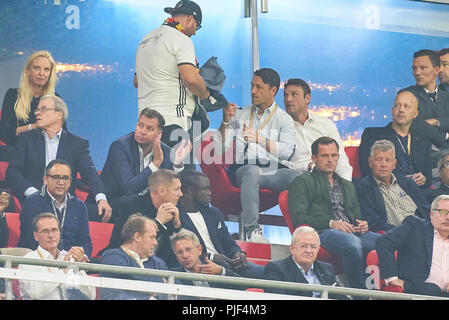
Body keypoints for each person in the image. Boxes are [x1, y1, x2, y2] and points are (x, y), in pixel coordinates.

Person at [216, 68, 298, 243]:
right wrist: (225, 122)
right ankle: (252, 231)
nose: (253, 91)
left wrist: (261, 140)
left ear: (273, 90)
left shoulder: (284, 119)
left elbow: (288, 153)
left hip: (272, 171)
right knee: (252, 171)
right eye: (252, 86)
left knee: (303, 178)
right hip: (243, 169)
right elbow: (221, 148)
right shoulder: (240, 114)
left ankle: (303, 233)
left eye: (259, 87)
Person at [288, 136, 381, 289]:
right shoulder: (302, 182)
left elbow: (357, 216)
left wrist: (362, 224)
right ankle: (359, 292)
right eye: (325, 156)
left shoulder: (348, 185)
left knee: (384, 242)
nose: (330, 160)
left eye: (334, 155)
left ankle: (375, 290)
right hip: (322, 231)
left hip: (352, 231)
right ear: (314, 158)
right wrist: (332, 223)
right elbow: (299, 218)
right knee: (353, 243)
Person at [5, 95, 112, 222]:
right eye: (37, 110)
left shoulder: (77, 144)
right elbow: (12, 173)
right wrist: (34, 193)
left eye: (43, 109)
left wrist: (101, 198)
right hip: (33, 200)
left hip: (64, 203)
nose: (37, 113)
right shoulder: (26, 139)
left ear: (59, 114)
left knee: (102, 212)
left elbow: (90, 173)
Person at [135, 0, 210, 151]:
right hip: (172, 122)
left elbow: (137, 81)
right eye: (197, 26)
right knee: (184, 174)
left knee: (154, 173)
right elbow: (190, 79)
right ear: (190, 19)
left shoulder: (145, 40)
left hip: (145, 124)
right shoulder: (181, 39)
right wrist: (205, 94)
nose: (195, 32)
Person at [100, 108, 191, 216]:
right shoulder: (120, 148)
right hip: (115, 202)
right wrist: (155, 164)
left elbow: (172, 188)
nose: (142, 131)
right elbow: (129, 189)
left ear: (159, 134)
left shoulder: (166, 152)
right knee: (136, 203)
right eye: (140, 125)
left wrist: (177, 164)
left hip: (144, 205)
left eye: (149, 128)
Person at [178, 170, 265, 279]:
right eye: (205, 189)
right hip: (203, 268)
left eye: (209, 188)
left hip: (229, 264)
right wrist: (212, 257)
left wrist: (238, 254)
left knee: (269, 273)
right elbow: (180, 253)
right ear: (190, 191)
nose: (210, 193)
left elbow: (228, 242)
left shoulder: (213, 213)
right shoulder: (177, 217)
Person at [105, 169, 182, 268]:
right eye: (177, 189)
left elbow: (177, 252)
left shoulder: (176, 209)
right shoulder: (131, 206)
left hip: (161, 266)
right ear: (161, 191)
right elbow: (124, 243)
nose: (181, 194)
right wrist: (158, 223)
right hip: (128, 263)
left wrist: (177, 225)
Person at [376, 194, 449, 297]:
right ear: (432, 214)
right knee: (433, 288)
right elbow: (384, 242)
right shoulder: (415, 226)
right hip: (418, 292)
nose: (448, 217)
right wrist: (391, 278)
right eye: (443, 212)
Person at [281, 78, 352, 181]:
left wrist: (347, 187)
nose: (288, 99)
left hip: (330, 179)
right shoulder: (279, 129)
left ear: (307, 98)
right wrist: (307, 166)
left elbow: (341, 162)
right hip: (300, 179)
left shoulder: (326, 125)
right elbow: (279, 164)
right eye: (285, 95)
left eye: (294, 94)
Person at [18, 159, 92, 257]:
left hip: (72, 262)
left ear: (70, 182)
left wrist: (82, 256)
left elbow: (85, 242)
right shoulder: (32, 202)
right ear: (45, 180)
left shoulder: (79, 206)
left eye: (65, 178)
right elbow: (31, 240)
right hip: (39, 259)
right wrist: (63, 257)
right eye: (56, 177)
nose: (61, 182)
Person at [359, 90, 433, 188]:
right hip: (385, 191)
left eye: (406, 106)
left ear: (415, 114)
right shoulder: (373, 135)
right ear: (392, 110)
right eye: (397, 106)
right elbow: (366, 170)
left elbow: (428, 178)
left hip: (418, 193)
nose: (401, 110)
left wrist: (424, 179)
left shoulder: (423, 140)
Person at [0, 51, 65, 157]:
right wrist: (34, 126)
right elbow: (5, 133)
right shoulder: (12, 95)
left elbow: (63, 136)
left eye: (46, 69)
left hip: (45, 155)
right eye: (37, 68)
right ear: (28, 71)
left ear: (50, 74)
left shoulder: (55, 99)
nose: (41, 74)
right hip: (17, 153)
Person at [356, 140, 430, 232]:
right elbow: (373, 222)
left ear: (394, 164)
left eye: (388, 160)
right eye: (378, 160)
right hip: (396, 235)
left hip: (424, 230)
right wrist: (403, 231)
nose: (383, 164)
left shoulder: (408, 183)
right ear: (370, 162)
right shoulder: (364, 187)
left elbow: (426, 209)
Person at [18, 213, 95, 300]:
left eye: (54, 230)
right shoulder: (28, 260)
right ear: (36, 236)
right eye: (45, 231)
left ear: (59, 233)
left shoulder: (68, 259)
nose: (51, 235)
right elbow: (36, 293)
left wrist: (79, 268)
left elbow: (91, 295)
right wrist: (64, 269)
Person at [100, 213, 171, 300]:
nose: (155, 242)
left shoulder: (158, 262)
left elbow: (176, 286)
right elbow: (132, 277)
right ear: (137, 237)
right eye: (152, 237)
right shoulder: (112, 256)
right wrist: (161, 282)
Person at [264, 226, 343, 298]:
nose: (309, 251)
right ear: (292, 248)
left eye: (313, 247)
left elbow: (340, 296)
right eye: (303, 246)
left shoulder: (327, 269)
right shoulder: (276, 269)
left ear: (318, 249)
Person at [170, 229, 240, 299]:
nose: (185, 256)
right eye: (179, 252)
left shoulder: (217, 267)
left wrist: (221, 272)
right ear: (176, 256)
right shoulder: (173, 276)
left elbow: (242, 287)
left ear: (199, 250)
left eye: (188, 249)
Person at [403, 49, 449, 149]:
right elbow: (412, 125)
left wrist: (436, 121)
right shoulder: (407, 95)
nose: (417, 72)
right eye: (414, 68)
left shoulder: (446, 95)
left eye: (423, 68)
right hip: (423, 157)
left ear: (437, 70)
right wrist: (445, 136)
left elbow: (421, 126)